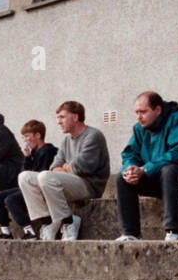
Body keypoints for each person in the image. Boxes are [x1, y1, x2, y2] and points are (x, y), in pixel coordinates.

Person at [115, 92, 178, 242]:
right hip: (164, 183)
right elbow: (129, 154)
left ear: (158, 110)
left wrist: (145, 169)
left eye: (143, 112)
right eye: (137, 112)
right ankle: (130, 233)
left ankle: (172, 232)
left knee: (170, 170)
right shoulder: (139, 128)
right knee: (122, 178)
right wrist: (131, 169)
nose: (139, 117)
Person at [18, 100, 110, 241]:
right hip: (71, 181)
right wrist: (65, 168)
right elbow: (54, 166)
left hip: (89, 185)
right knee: (25, 177)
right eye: (58, 118)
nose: (58, 122)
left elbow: (83, 167)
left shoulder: (93, 136)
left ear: (75, 117)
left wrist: (66, 167)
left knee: (46, 177)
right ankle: (48, 222)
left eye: (62, 117)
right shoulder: (66, 140)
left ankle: (69, 222)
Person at [0, 120, 58, 239]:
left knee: (11, 199)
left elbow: (41, 174)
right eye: (23, 137)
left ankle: (30, 231)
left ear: (38, 135)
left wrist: (29, 159)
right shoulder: (31, 153)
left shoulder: (48, 151)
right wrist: (27, 158)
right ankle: (6, 231)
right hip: (26, 186)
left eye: (27, 136)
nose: (25, 140)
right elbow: (23, 174)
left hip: (38, 189)